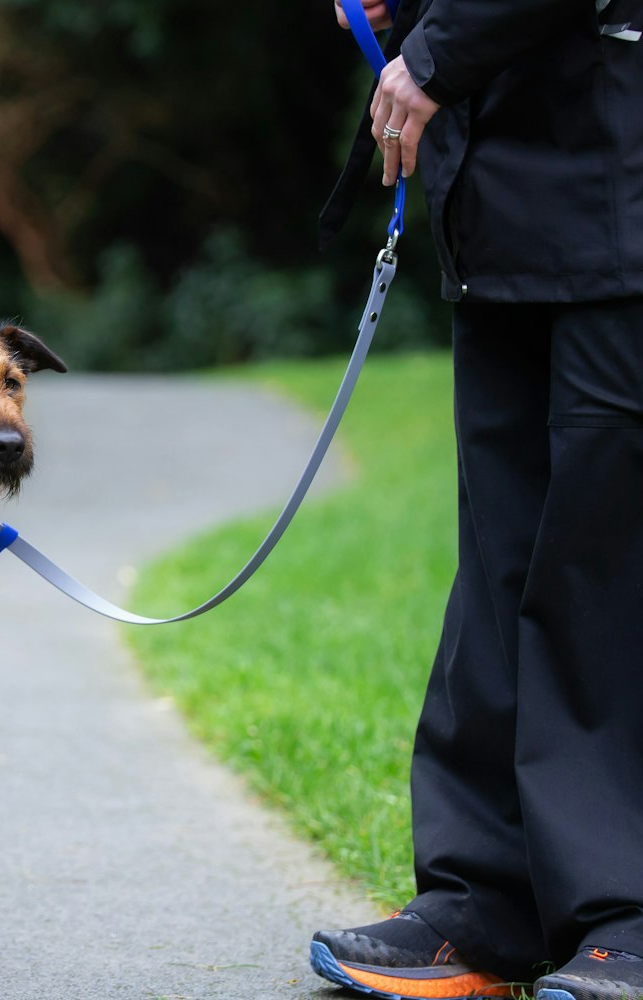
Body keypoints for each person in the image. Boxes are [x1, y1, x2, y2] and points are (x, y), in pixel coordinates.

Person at [309, 1, 643, 999]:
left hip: (620, 192)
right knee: (499, 571)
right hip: (497, 215)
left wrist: (433, 52)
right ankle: (483, 903)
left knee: (601, 574)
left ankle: (625, 919)